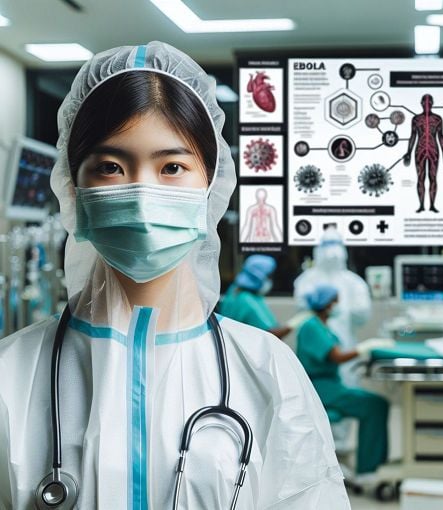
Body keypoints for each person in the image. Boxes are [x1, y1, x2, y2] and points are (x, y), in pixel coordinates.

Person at [0, 42, 350, 509]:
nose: (143, 194)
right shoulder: (10, 375)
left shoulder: (267, 368)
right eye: (110, 167)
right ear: (72, 186)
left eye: (172, 167)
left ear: (211, 185)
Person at [296, 283, 393, 476]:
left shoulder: (319, 325)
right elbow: (336, 357)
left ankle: (374, 463)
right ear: (327, 304)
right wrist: (365, 347)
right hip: (322, 390)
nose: (338, 305)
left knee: (376, 404)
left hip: (330, 386)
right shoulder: (311, 326)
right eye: (335, 301)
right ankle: (368, 469)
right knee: (375, 405)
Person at [294, 226, 371, 386]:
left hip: (346, 340)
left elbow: (362, 315)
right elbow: (303, 308)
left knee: (347, 382)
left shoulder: (354, 282)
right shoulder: (306, 280)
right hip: (317, 358)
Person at [220, 255, 310, 339]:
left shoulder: (233, 291)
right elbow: (271, 335)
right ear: (258, 276)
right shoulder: (248, 301)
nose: (270, 280)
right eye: (268, 276)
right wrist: (295, 321)